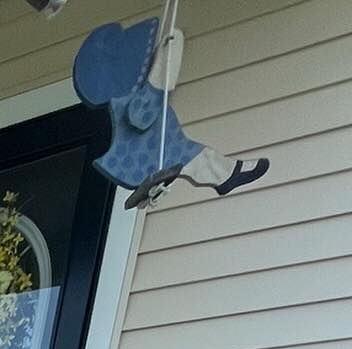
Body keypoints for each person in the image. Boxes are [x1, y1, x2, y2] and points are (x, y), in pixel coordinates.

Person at [72, 17, 270, 207]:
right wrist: (168, 56)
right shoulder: (131, 100)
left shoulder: (121, 98)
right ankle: (228, 174)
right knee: (197, 158)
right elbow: (143, 112)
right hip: (143, 155)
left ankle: (227, 174)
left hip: (153, 152)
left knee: (197, 158)